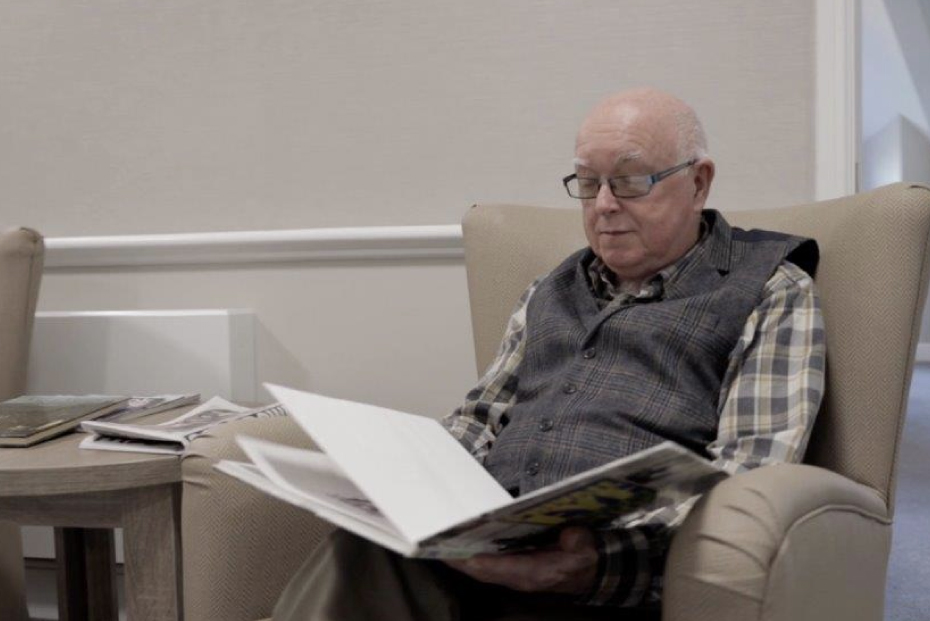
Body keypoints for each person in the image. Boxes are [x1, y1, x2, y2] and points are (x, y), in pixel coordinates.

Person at [272, 87, 825, 621]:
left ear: (698, 182)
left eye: (630, 181)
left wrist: (598, 566)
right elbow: (479, 419)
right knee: (364, 546)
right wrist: (404, 482)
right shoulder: (549, 290)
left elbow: (750, 470)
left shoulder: (772, 287)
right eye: (588, 183)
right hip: (480, 554)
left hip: (610, 579)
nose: (604, 205)